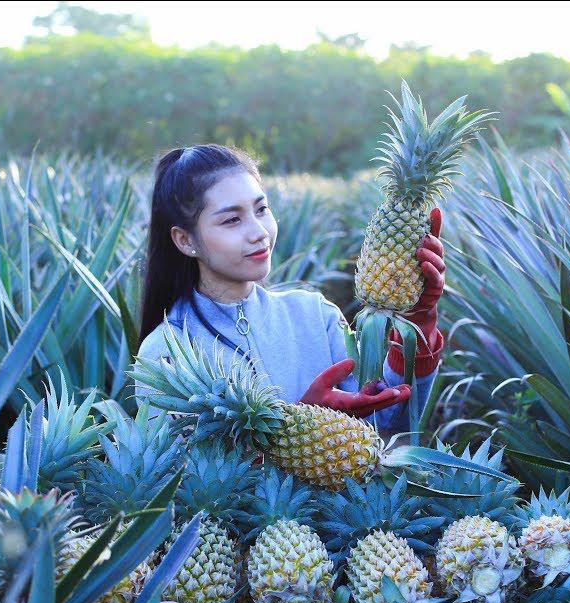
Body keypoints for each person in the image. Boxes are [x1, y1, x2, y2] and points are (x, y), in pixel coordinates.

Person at [133, 144, 446, 434]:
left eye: (261, 209)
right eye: (231, 220)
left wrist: (420, 322)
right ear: (186, 241)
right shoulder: (164, 354)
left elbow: (388, 421)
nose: (258, 232)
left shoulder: (314, 313)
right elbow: (182, 480)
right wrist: (300, 424)